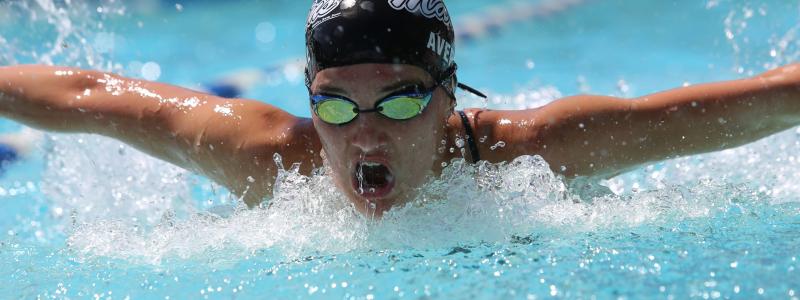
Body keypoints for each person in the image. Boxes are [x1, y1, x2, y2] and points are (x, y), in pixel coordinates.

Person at [1, 0, 799, 217]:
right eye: (335, 107)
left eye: (401, 98)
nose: (366, 132)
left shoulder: (529, 156)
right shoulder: (273, 159)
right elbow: (90, 98)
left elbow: (748, 106)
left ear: (450, 96)